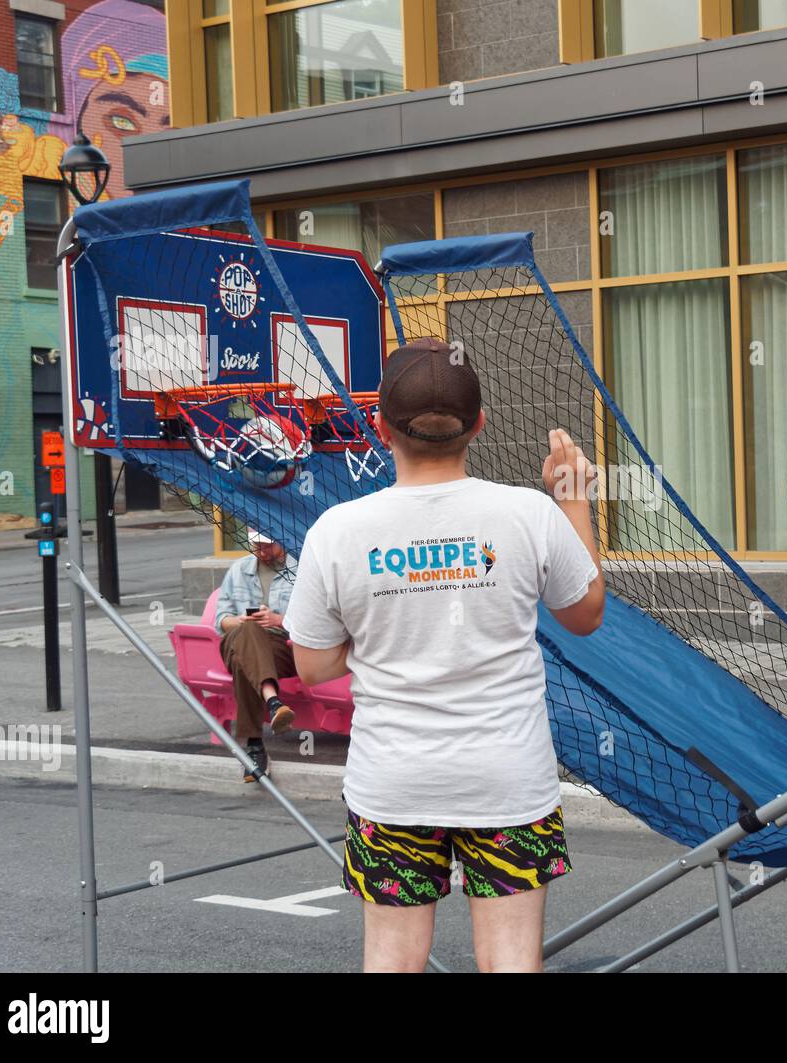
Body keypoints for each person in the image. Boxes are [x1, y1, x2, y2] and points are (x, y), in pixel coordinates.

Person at [282, 337, 604, 973]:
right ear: (478, 424)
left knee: (393, 961)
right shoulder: (529, 514)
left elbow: (313, 667)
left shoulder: (339, 531)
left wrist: (384, 629)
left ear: (379, 425)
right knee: (511, 960)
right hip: (507, 780)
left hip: (393, 784)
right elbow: (585, 615)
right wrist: (572, 499)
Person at [214, 528, 299, 782]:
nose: (260, 552)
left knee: (245, 659)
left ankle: (254, 746)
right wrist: (239, 621)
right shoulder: (239, 569)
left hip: (282, 645)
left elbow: (313, 620)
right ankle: (273, 703)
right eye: (256, 547)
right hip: (236, 639)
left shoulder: (300, 570)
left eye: (266, 546)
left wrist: (278, 619)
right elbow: (221, 620)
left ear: (282, 542)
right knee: (248, 630)